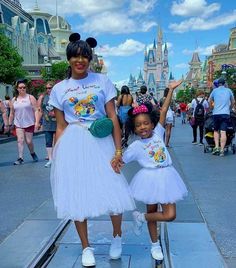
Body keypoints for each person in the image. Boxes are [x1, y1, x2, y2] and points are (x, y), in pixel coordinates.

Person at [48, 33, 135, 267]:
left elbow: (112, 117)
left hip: (100, 140)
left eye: (85, 56)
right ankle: (86, 247)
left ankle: (117, 237)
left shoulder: (102, 81)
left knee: (113, 188)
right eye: (75, 56)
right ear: (68, 59)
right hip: (73, 143)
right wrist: (57, 155)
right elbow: (60, 125)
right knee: (77, 194)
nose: (80, 60)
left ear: (90, 59)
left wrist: (119, 151)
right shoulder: (59, 89)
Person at [120, 80, 187, 261]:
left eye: (146, 123)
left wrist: (171, 90)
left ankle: (140, 217)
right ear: (134, 129)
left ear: (152, 123)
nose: (143, 127)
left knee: (170, 215)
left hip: (167, 176)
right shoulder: (135, 146)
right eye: (139, 125)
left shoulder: (158, 132)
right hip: (148, 179)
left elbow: (163, 111)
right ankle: (154, 245)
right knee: (153, 212)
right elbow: (120, 160)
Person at [8, 79, 39, 165]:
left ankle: (32, 153)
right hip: (18, 123)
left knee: (29, 141)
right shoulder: (14, 100)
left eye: (24, 87)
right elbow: (11, 113)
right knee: (20, 140)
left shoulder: (30, 97)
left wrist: (36, 122)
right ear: (17, 89)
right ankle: (20, 158)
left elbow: (36, 110)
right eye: (20, 87)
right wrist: (9, 124)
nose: (22, 89)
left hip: (29, 122)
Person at [208, 78, 235, 156]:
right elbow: (233, 101)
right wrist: (229, 108)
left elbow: (210, 101)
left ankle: (216, 147)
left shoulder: (214, 91)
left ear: (218, 84)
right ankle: (222, 150)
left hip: (216, 113)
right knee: (223, 132)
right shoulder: (229, 90)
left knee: (216, 130)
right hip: (225, 114)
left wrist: (211, 108)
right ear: (224, 83)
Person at [37, 81, 56, 168]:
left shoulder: (57, 96)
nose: (48, 89)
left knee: (57, 141)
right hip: (47, 122)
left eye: (50, 88)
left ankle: (57, 158)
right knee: (48, 141)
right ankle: (50, 159)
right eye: (46, 88)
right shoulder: (43, 97)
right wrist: (37, 122)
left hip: (57, 122)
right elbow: (40, 110)